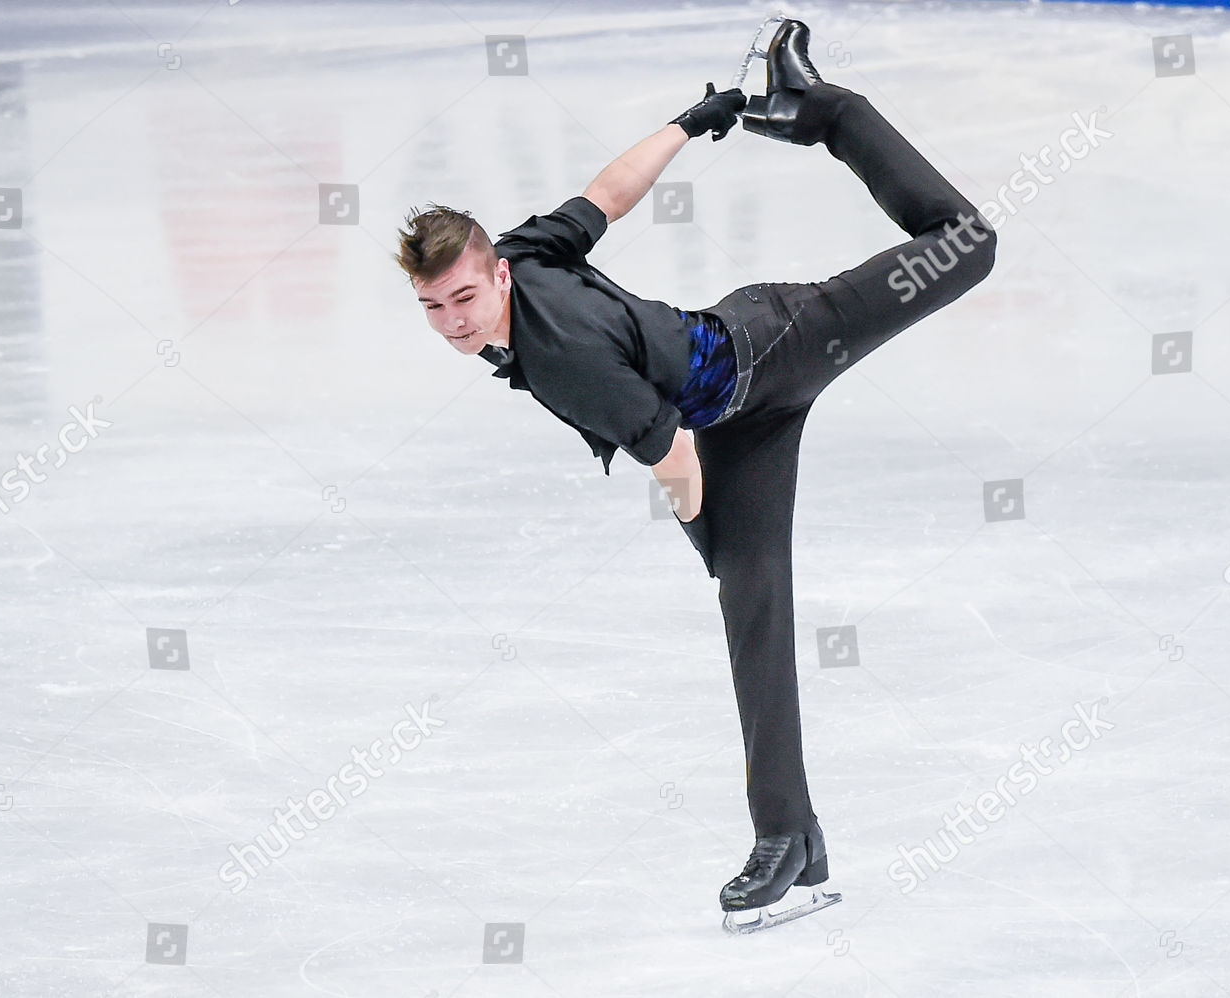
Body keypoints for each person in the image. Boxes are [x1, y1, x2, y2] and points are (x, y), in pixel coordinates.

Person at [393, 18, 997, 932]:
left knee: (967, 241)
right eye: (434, 307)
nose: (451, 324)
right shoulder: (517, 253)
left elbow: (672, 455)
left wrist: (710, 536)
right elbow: (607, 194)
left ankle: (824, 107)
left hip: (783, 344)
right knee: (754, 608)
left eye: (464, 300)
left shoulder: (566, 362)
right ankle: (790, 841)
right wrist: (694, 119)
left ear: (498, 279)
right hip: (733, 407)